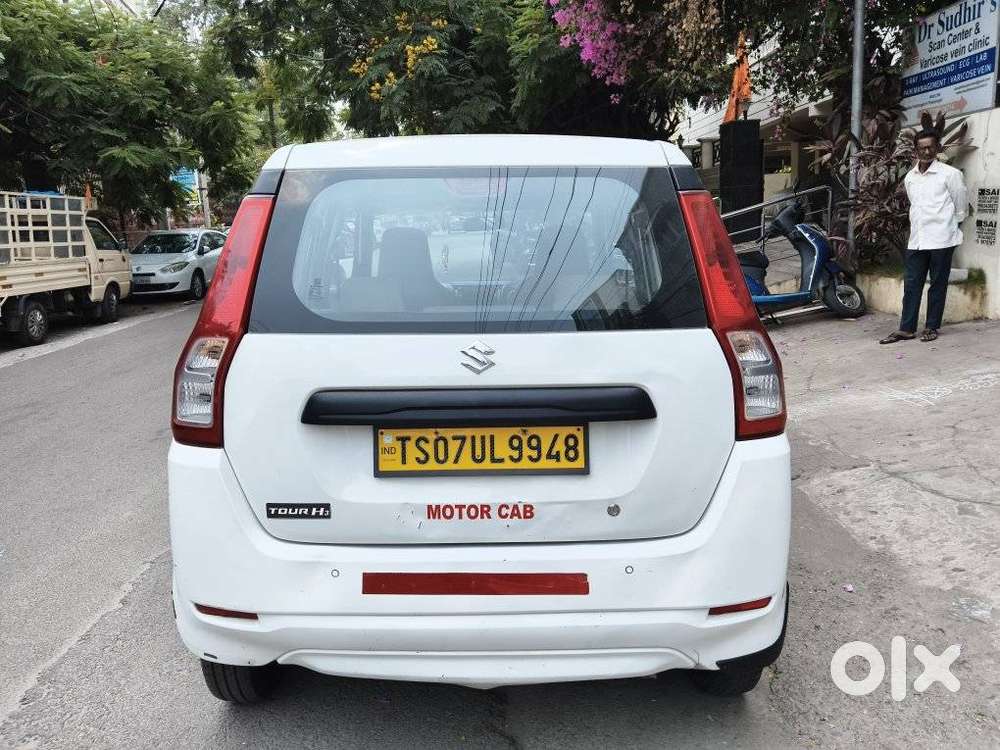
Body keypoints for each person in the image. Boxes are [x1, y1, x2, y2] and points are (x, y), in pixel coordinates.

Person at [880, 129, 967, 344]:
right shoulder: (911, 177)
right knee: (911, 284)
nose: (926, 152)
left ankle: (931, 326)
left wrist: (949, 226)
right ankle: (906, 329)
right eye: (922, 148)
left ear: (937, 148)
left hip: (942, 239)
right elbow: (915, 205)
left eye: (930, 147)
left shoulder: (950, 174)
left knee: (937, 284)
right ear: (915, 150)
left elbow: (961, 206)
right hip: (917, 239)